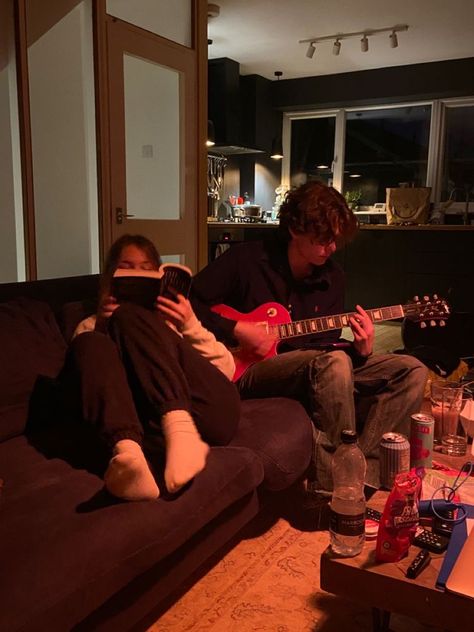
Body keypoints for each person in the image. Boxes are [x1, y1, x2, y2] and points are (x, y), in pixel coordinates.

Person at [191, 181, 428, 496]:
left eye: (336, 240)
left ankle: (362, 476)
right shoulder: (246, 260)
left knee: (411, 370)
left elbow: (325, 346)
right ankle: (330, 488)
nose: (331, 248)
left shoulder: (332, 278)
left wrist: (362, 349)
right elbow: (188, 301)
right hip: (248, 369)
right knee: (333, 362)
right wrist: (236, 329)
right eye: (324, 239)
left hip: (311, 365)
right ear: (294, 228)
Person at [63, 234, 240, 501]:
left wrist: (189, 325)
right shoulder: (90, 327)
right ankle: (129, 457)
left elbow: (227, 370)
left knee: (130, 318)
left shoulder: (170, 324)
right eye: (127, 267)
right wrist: (103, 326)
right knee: (91, 341)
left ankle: (181, 432)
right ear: (111, 277)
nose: (136, 275)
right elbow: (84, 389)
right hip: (149, 433)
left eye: (146, 270)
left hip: (207, 414)